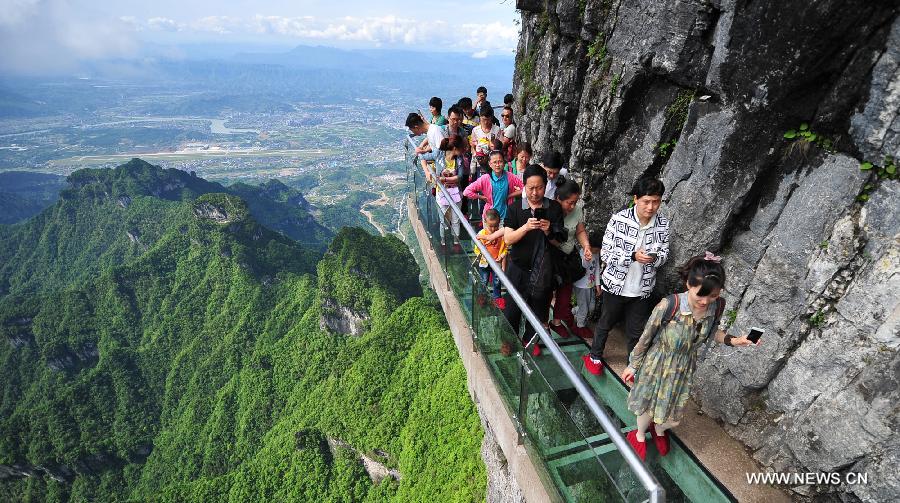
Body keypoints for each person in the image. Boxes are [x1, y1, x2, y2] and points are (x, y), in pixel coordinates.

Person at [620, 254, 758, 460]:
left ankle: (659, 429)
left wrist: (736, 340)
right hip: (659, 362)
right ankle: (639, 434)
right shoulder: (669, 305)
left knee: (674, 416)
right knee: (648, 407)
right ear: (688, 284)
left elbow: (712, 331)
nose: (705, 301)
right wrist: (633, 365)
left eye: (712, 296)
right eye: (700, 295)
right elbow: (646, 336)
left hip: (684, 367)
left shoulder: (717, 306)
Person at [583, 177, 670, 375]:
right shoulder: (619, 219)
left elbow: (665, 254)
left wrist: (654, 259)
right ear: (636, 199)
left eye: (656, 201)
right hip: (615, 284)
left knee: (636, 332)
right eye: (646, 201)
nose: (651, 207)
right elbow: (605, 253)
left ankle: (633, 366)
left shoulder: (662, 224)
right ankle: (594, 356)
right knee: (605, 323)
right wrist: (631, 256)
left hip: (642, 288)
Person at [501, 164, 566, 356]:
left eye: (539, 187)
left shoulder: (553, 208)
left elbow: (558, 242)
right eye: (530, 188)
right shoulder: (515, 209)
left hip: (543, 271)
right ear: (524, 187)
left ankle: (530, 340)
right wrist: (526, 228)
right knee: (512, 309)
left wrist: (548, 230)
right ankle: (508, 341)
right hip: (518, 269)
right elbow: (507, 239)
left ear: (546, 186)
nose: (535, 192)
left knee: (538, 309)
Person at [548, 179, 592, 338]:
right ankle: (541, 325)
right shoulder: (550, 210)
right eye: (569, 202)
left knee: (565, 292)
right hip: (550, 256)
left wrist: (586, 246)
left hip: (568, 256)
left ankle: (557, 322)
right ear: (558, 198)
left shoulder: (577, 210)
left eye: (575, 202)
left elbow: (580, 231)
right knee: (546, 292)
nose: (572, 206)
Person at [463, 150, 523, 223]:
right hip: (489, 219)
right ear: (490, 164)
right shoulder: (485, 178)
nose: (497, 165)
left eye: (500, 161)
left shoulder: (510, 176)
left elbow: (524, 188)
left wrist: (510, 195)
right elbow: (466, 192)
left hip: (505, 217)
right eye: (494, 162)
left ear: (504, 163)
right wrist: (482, 197)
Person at [474, 208, 508, 309]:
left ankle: (497, 298)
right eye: (491, 226)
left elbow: (505, 247)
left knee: (497, 281)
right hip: (485, 263)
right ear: (485, 222)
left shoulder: (501, 234)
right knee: (484, 280)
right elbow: (477, 248)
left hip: (496, 262)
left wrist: (502, 256)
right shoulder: (482, 234)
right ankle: (482, 296)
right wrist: (482, 256)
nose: (493, 229)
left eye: (496, 226)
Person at [435, 136, 466, 243]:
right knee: (443, 219)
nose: (462, 150)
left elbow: (460, 177)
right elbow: (423, 157)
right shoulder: (439, 156)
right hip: (442, 192)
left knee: (455, 219)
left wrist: (444, 179)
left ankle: (456, 240)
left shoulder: (459, 160)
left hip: (455, 192)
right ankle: (443, 240)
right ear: (454, 148)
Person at [571, 234, 602, 340]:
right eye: (597, 250)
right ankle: (579, 326)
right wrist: (587, 257)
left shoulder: (596, 254)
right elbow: (584, 266)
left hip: (590, 285)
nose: (598, 252)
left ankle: (573, 311)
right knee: (584, 308)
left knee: (591, 307)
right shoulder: (582, 253)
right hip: (581, 285)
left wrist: (598, 285)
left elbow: (597, 268)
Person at [406, 112, 447, 181]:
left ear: (416, 127)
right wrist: (424, 151)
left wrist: (423, 155)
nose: (413, 133)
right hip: (440, 167)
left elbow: (441, 151)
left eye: (413, 131)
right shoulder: (430, 131)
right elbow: (435, 147)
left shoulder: (434, 131)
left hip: (444, 169)